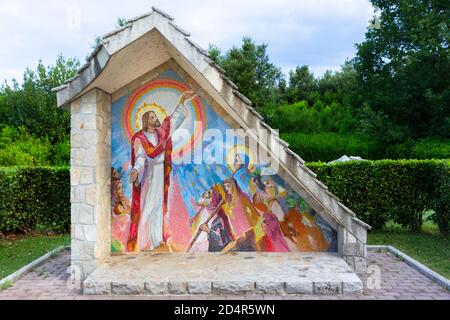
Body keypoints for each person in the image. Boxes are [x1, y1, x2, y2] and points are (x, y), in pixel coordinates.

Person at [127, 90, 197, 252]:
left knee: (158, 206)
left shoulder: (161, 134)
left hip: (160, 173)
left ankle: (156, 240)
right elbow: (140, 157)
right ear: (146, 121)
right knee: (148, 205)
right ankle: (144, 242)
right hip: (149, 175)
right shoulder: (141, 138)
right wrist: (136, 170)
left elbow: (173, 120)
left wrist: (182, 101)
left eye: (154, 116)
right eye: (151, 117)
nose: (155, 118)